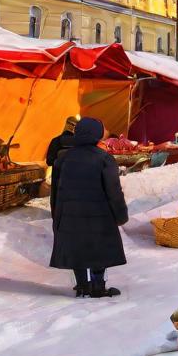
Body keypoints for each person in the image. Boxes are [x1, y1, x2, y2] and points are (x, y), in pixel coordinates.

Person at [50, 118, 127, 298]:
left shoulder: (63, 159)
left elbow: (55, 192)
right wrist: (120, 214)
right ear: (96, 134)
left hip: (70, 215)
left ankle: (82, 286)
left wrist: (57, 216)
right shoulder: (104, 159)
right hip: (99, 216)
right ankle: (98, 287)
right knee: (98, 249)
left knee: (77, 248)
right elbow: (114, 191)